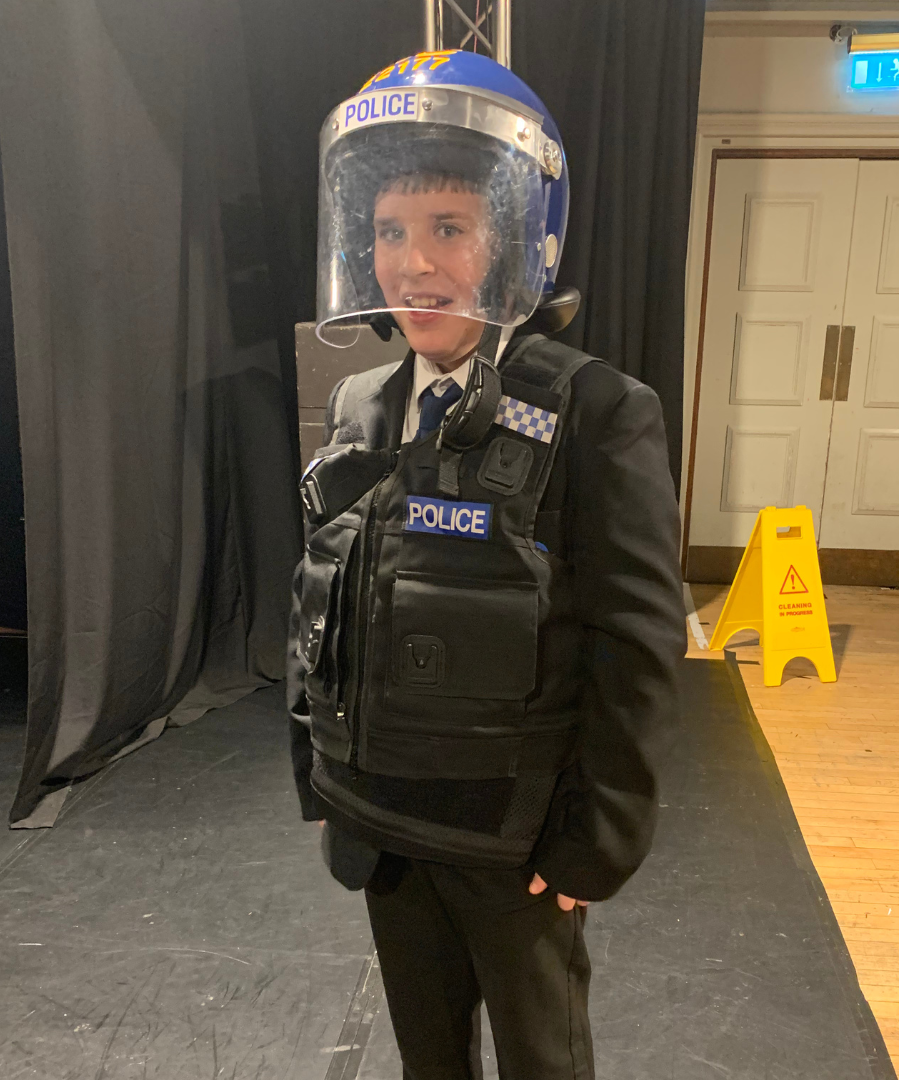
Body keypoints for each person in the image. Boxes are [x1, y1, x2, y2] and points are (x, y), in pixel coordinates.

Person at [288, 49, 686, 1080]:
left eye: (448, 230)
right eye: (388, 231)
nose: (412, 263)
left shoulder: (598, 412)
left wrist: (598, 840)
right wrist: (326, 774)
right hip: (384, 822)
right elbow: (337, 599)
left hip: (515, 845)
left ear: (516, 239)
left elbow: (637, 643)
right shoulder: (359, 404)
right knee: (430, 1060)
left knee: (542, 1061)